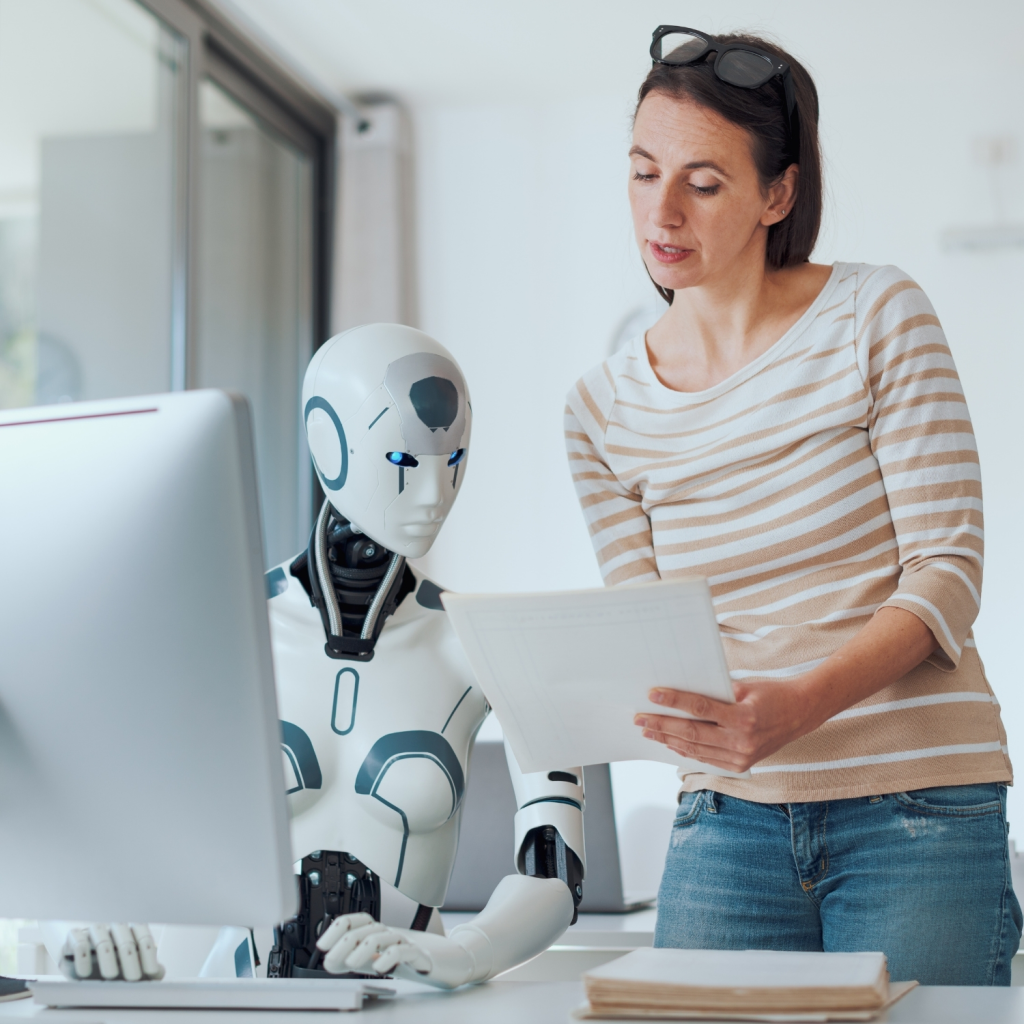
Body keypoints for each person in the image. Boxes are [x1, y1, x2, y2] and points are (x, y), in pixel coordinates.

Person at [564, 26, 1020, 985]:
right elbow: (652, 634)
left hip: (917, 810)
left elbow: (948, 572)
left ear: (779, 193)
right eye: (644, 173)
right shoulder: (599, 411)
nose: (664, 211)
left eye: (705, 181)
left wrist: (802, 704)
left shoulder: (875, 314)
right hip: (725, 819)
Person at [46, 324, 585, 988]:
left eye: (452, 462)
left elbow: (556, 875)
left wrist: (467, 954)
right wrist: (84, 918)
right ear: (327, 441)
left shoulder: (496, 644)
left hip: (415, 996)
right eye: (402, 462)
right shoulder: (216, 628)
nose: (432, 496)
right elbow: (85, 811)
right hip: (240, 994)